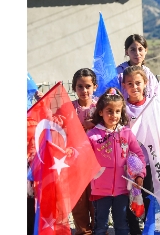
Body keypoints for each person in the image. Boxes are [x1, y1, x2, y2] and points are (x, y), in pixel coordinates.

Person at [87, 87, 146, 235]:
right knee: (101, 225)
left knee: (121, 225)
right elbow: (84, 159)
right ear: (101, 112)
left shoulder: (126, 133)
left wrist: (140, 175)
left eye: (117, 111)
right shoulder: (92, 135)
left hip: (122, 189)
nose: (114, 115)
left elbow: (139, 154)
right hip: (100, 189)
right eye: (109, 111)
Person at [120, 65, 154, 235]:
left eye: (138, 83)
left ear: (145, 83)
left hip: (148, 162)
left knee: (148, 196)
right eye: (130, 84)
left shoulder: (152, 105)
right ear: (124, 85)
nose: (134, 87)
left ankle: (149, 229)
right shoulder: (121, 108)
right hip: (126, 164)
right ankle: (134, 230)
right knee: (129, 199)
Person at [70, 68, 99, 235]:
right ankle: (83, 231)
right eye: (80, 86)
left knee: (96, 198)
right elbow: (64, 130)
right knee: (79, 200)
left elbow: (109, 127)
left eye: (88, 86)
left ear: (94, 86)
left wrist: (94, 123)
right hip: (76, 163)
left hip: (97, 162)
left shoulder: (101, 107)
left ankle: (99, 229)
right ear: (74, 88)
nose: (84, 90)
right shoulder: (70, 109)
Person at [116, 34, 160, 100]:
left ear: (145, 51)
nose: (137, 53)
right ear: (126, 52)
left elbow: (157, 99)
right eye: (133, 50)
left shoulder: (149, 75)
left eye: (140, 49)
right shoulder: (119, 73)